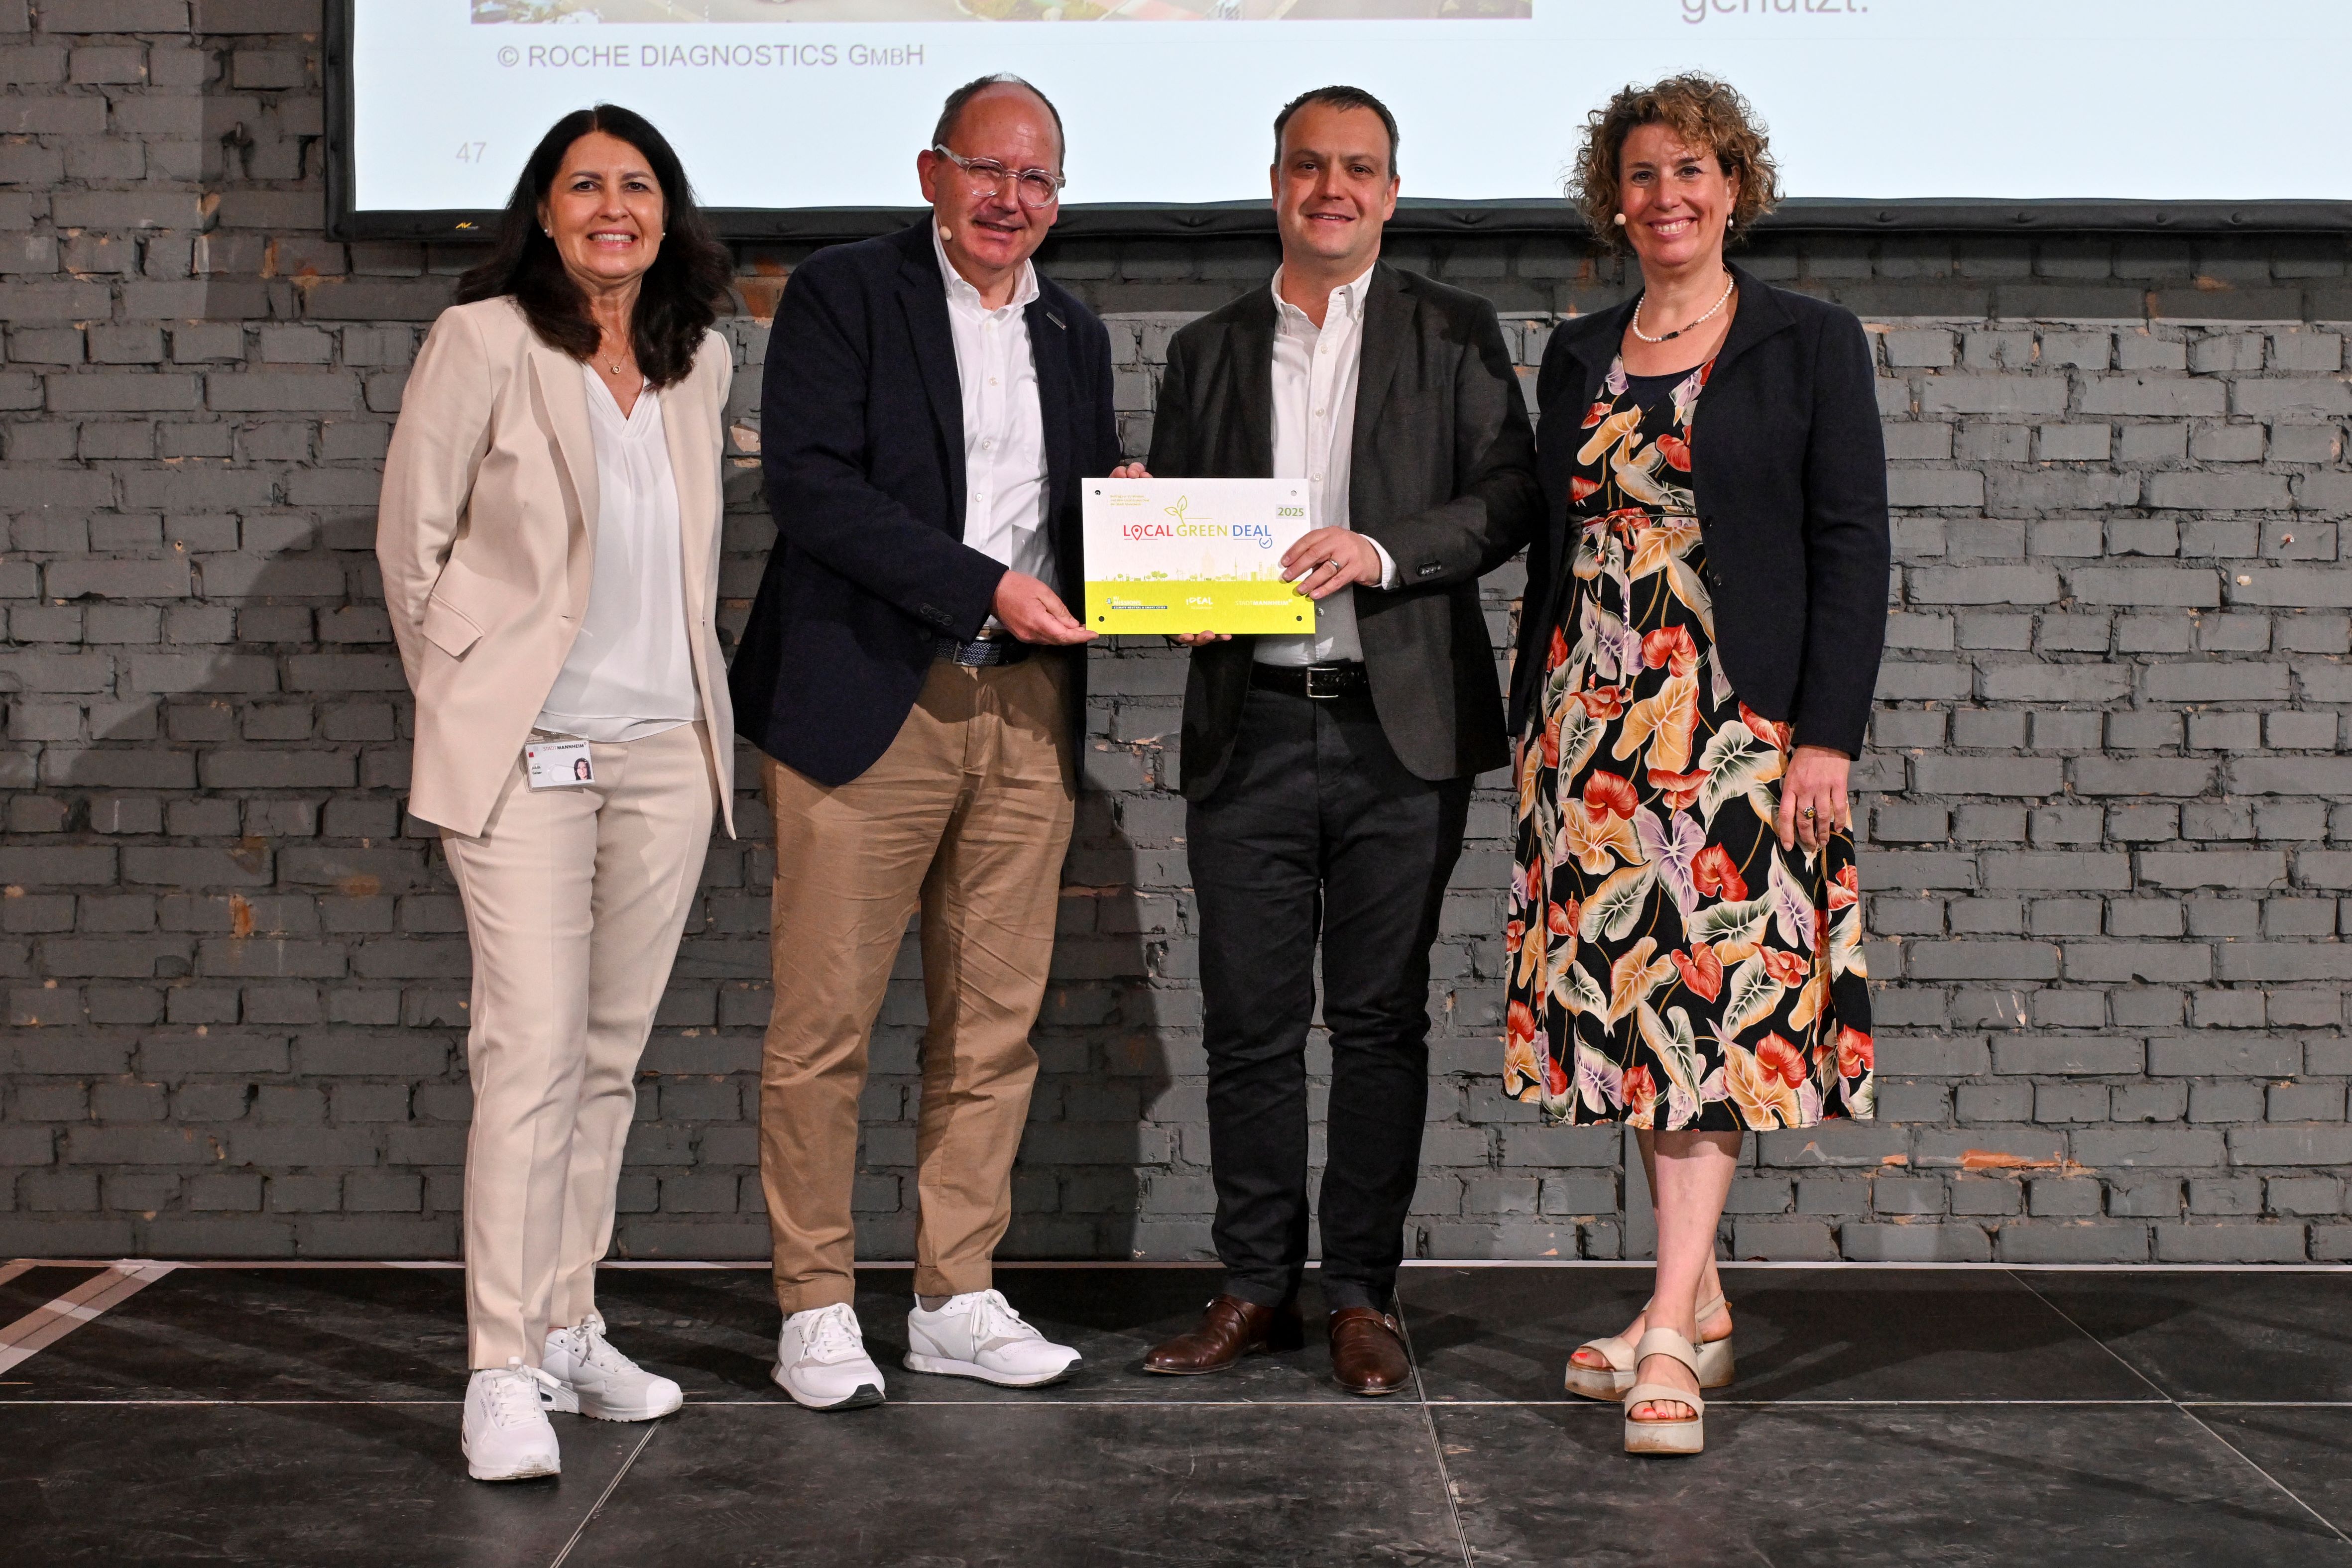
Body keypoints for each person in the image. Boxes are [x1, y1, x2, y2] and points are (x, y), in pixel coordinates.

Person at [1126, 87, 1541, 1395]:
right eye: (1309, 167)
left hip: (1395, 732)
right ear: (1275, 184)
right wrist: (1157, 560)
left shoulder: (1453, 333)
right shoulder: (1206, 350)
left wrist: (1377, 550)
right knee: (1247, 1023)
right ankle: (1253, 1286)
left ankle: (1362, 1293)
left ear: (1391, 193)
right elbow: (1182, 529)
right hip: (1245, 728)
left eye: (1358, 169)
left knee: (1377, 1023)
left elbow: (1511, 501)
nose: (1332, 189)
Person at [727, 75, 1119, 1410]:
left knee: (991, 1028)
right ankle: (817, 1303)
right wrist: (980, 585)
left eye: (1038, 180)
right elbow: (810, 484)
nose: (1013, 199)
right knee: (825, 1022)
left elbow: (1058, 520)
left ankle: (954, 1294)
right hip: (862, 703)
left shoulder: (1072, 331)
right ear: (931, 173)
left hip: (1020, 709)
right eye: (987, 170)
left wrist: (1127, 531)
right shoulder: (847, 293)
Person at [1509, 75, 1886, 1456]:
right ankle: (1703, 1303)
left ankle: (1663, 1328)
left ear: (1736, 185)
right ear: (1614, 198)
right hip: (1588, 727)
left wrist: (1827, 735)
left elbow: (1851, 544)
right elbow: (1529, 519)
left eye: (1695, 169)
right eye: (1644, 172)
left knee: (1705, 1022)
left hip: (1738, 725)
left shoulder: (1805, 344)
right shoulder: (1578, 351)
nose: (1668, 193)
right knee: (1630, 1014)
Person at [377, 106, 738, 1481]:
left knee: (602, 1064)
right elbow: (411, 542)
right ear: (542, 209)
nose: (612, 206)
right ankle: (497, 1368)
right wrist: (468, 694)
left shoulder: (691, 359)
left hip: (660, 747)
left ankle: (571, 1324)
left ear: (667, 213)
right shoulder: (483, 342)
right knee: (523, 1059)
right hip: (529, 755)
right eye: (584, 184)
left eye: (636, 185)